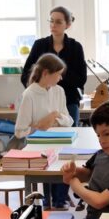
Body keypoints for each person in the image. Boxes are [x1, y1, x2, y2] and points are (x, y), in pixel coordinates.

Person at [16, 53, 74, 209]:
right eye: (58, 74)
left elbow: (69, 120)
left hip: (60, 142)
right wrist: (39, 126)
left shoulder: (59, 91)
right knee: (49, 162)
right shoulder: (29, 94)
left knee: (67, 162)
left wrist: (55, 116)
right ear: (46, 73)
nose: (60, 78)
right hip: (39, 147)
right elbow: (20, 131)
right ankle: (50, 201)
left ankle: (59, 200)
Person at [20, 6, 87, 125]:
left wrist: (55, 77)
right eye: (51, 21)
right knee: (41, 133)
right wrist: (38, 91)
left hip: (69, 101)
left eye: (58, 22)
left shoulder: (76, 47)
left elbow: (81, 79)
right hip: (40, 101)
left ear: (67, 25)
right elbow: (26, 75)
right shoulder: (39, 45)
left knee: (69, 133)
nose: (53, 25)